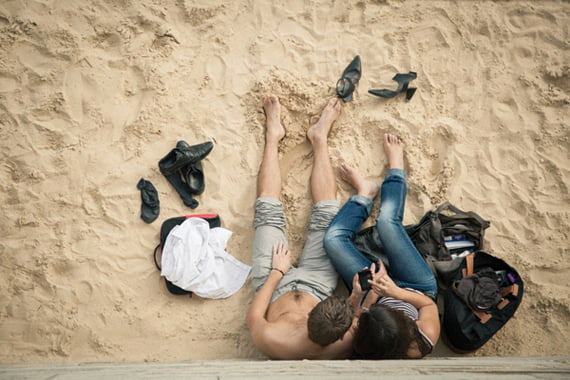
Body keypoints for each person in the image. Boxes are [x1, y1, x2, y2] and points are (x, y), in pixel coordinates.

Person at [246, 94, 354, 360]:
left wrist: (276, 272)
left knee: (267, 211)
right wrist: (359, 297)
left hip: (272, 286)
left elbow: (255, 315)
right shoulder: (341, 342)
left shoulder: (271, 340)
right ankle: (319, 139)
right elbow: (358, 315)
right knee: (328, 214)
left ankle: (273, 136)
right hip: (317, 285)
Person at [323, 133, 440, 359]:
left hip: (374, 292)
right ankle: (396, 166)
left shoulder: (368, 341)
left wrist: (368, 296)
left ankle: (364, 195)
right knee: (387, 223)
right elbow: (428, 306)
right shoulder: (423, 340)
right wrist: (395, 291)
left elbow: (356, 315)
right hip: (417, 287)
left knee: (333, 240)